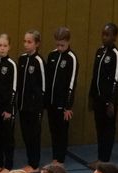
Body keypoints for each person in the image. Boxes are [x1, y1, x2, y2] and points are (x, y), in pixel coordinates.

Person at [89, 23, 118, 163]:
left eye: (107, 35)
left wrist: (112, 102)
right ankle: (100, 157)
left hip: (109, 100)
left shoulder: (116, 55)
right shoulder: (100, 51)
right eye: (103, 34)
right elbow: (95, 76)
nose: (104, 37)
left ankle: (105, 159)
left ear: (114, 37)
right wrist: (91, 96)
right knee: (99, 129)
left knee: (107, 130)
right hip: (98, 98)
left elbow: (116, 80)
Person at [46, 28, 78, 164]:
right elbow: (48, 79)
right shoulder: (52, 55)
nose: (59, 48)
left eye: (62, 45)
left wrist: (68, 106)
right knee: (53, 131)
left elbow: (72, 83)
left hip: (63, 103)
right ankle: (55, 157)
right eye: (57, 45)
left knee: (62, 132)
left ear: (68, 42)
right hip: (51, 102)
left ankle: (60, 159)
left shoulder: (71, 58)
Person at [0, 34, 18, 173]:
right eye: (0, 45)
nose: (2, 48)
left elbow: (13, 88)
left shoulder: (11, 65)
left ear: (9, 47)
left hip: (7, 109)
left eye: (5, 46)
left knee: (7, 138)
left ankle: (8, 165)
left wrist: (9, 109)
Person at [18, 31, 46, 170]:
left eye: (29, 42)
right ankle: (30, 161)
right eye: (25, 41)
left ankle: (34, 164)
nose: (26, 44)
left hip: (35, 107)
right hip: (23, 105)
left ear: (37, 44)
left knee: (34, 135)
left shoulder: (39, 61)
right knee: (26, 134)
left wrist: (38, 105)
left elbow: (43, 85)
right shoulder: (22, 59)